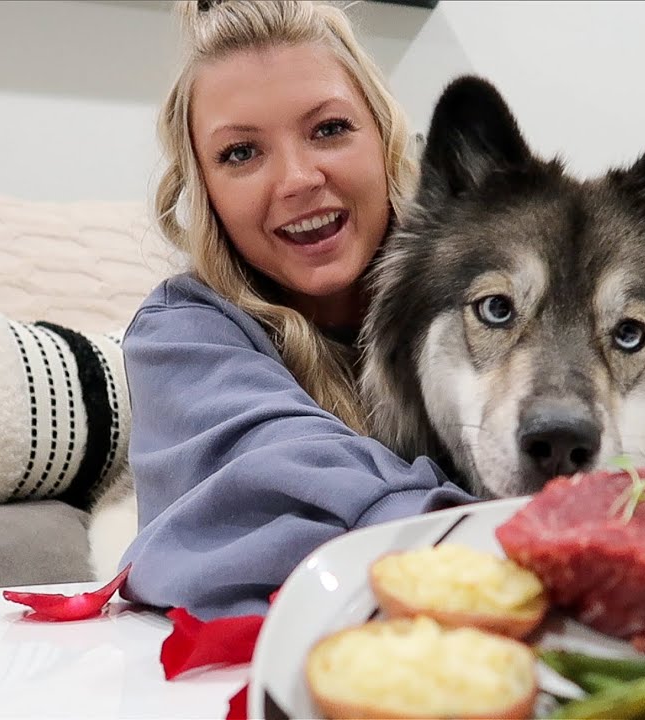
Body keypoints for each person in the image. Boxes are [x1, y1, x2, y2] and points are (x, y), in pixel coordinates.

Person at [117, 0, 475, 620]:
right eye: (240, 154)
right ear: (205, 190)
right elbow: (279, 484)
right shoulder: (179, 337)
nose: (296, 180)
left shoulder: (480, 297)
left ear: (384, 138)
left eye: (329, 129)